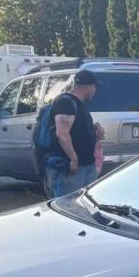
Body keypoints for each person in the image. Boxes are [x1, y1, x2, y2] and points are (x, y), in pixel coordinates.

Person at [48, 69, 102, 197]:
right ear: (88, 87)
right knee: (69, 206)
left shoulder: (79, 104)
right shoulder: (66, 102)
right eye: (94, 87)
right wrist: (73, 159)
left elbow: (77, 127)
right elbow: (62, 133)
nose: (95, 91)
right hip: (71, 169)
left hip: (87, 165)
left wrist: (95, 128)